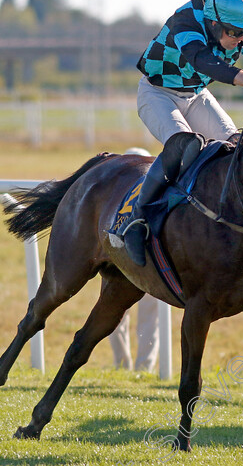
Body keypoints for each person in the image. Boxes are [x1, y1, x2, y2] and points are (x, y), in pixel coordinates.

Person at [121, 0, 243, 266]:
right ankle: (136, 220)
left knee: (237, 145)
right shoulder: (186, 22)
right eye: (234, 33)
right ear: (214, 24)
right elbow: (205, 62)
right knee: (183, 144)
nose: (241, 39)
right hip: (158, 94)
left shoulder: (238, 27)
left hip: (195, 95)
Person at [109, 147, 161, 372]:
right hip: (149, 261)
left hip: (120, 257)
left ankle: (123, 364)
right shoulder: (156, 188)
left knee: (114, 312)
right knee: (150, 318)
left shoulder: (115, 192)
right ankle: (144, 367)